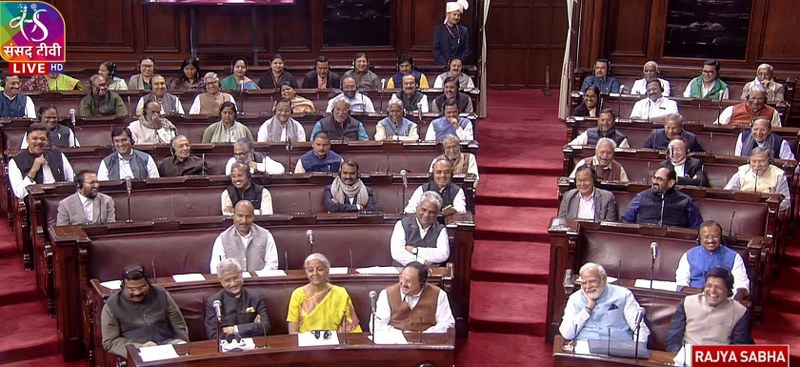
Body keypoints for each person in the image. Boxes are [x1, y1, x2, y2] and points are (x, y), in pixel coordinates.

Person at [101, 264, 189, 358]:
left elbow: (179, 325)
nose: (137, 292)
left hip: (168, 345)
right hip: (137, 351)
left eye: (141, 287)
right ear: (123, 286)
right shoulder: (111, 305)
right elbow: (110, 342)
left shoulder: (162, 295)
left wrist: (184, 344)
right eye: (132, 289)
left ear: (148, 283)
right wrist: (139, 348)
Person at [666, 267, 754, 353]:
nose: (712, 291)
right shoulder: (687, 302)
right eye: (709, 286)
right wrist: (677, 358)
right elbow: (674, 338)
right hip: (686, 358)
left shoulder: (740, 312)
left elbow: (739, 347)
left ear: (728, 291)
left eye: (718, 287)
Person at [559, 263, 650, 342]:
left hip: (617, 349)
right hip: (585, 349)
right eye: (584, 282)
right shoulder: (575, 299)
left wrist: (636, 352)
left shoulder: (623, 295)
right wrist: (588, 309)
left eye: (592, 281)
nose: (588, 286)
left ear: (604, 279)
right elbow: (567, 333)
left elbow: (640, 328)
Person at [287, 253, 362, 333]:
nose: (315, 273)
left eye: (320, 269)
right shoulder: (298, 294)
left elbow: (351, 327)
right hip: (306, 342)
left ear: (327, 271)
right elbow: (293, 331)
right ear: (306, 272)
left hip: (333, 341)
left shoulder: (340, 293)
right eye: (311, 270)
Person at [373, 261, 455, 333]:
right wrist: (402, 334)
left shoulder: (439, 294)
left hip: (426, 344)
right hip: (396, 345)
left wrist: (424, 335)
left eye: (409, 281)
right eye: (402, 278)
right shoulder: (386, 294)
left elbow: (447, 324)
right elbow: (377, 326)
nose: (403, 284)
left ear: (422, 283)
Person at [675, 221, 750, 300]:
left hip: (723, 302)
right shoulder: (688, 255)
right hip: (694, 299)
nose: (710, 240)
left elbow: (742, 285)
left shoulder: (734, 257)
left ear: (721, 237)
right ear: (699, 238)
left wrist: (734, 302)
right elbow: (681, 285)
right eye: (706, 237)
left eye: (715, 236)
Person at [205, 259, 269, 340]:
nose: (233, 283)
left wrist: (233, 329)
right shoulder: (214, 302)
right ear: (221, 281)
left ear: (241, 275)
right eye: (227, 280)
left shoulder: (255, 297)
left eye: (236, 278)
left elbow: (265, 327)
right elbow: (213, 335)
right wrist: (252, 326)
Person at [210, 200, 279, 274]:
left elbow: (272, 264)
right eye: (240, 216)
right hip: (233, 283)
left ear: (253, 217)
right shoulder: (222, 239)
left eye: (248, 216)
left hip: (260, 283)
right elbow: (216, 268)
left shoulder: (266, 235)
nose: (244, 221)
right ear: (233, 216)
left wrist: (256, 279)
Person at [621, 167, 703, 228]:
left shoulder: (686, 201)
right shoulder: (641, 197)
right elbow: (626, 222)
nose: (654, 182)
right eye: (654, 178)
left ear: (671, 183)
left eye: (659, 179)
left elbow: (697, 227)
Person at [9, 123, 74, 199]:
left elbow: (71, 180)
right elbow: (19, 193)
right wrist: (33, 171)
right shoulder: (16, 162)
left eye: (43, 139)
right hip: (34, 203)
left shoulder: (58, 155)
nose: (39, 142)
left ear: (47, 141)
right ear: (27, 140)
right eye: (35, 138)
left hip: (61, 200)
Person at [724, 147, 791, 212]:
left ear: (769, 161)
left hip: (766, 212)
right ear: (749, 161)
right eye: (754, 161)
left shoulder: (779, 175)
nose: (757, 165)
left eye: (762, 161)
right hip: (741, 209)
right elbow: (727, 193)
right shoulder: (742, 172)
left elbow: (786, 202)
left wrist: (768, 207)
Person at [393, 191, 450, 266]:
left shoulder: (440, 229)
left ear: (437, 214)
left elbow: (443, 254)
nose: (426, 215)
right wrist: (422, 262)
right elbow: (397, 254)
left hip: (430, 272)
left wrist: (415, 250)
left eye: (431, 212)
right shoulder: (401, 224)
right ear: (417, 208)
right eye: (423, 210)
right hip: (403, 270)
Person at [714, 85, 781, 127]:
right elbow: (717, 127)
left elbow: (777, 132)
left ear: (765, 99)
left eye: (760, 99)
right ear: (747, 97)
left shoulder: (772, 112)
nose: (756, 102)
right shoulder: (731, 110)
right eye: (753, 98)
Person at [432, 0, 470, 65]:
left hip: (459, 67)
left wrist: (458, 63)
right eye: (454, 14)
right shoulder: (438, 30)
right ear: (448, 14)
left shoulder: (464, 30)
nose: (456, 17)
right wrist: (447, 64)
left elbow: (466, 50)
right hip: (443, 67)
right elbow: (436, 50)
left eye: (458, 15)